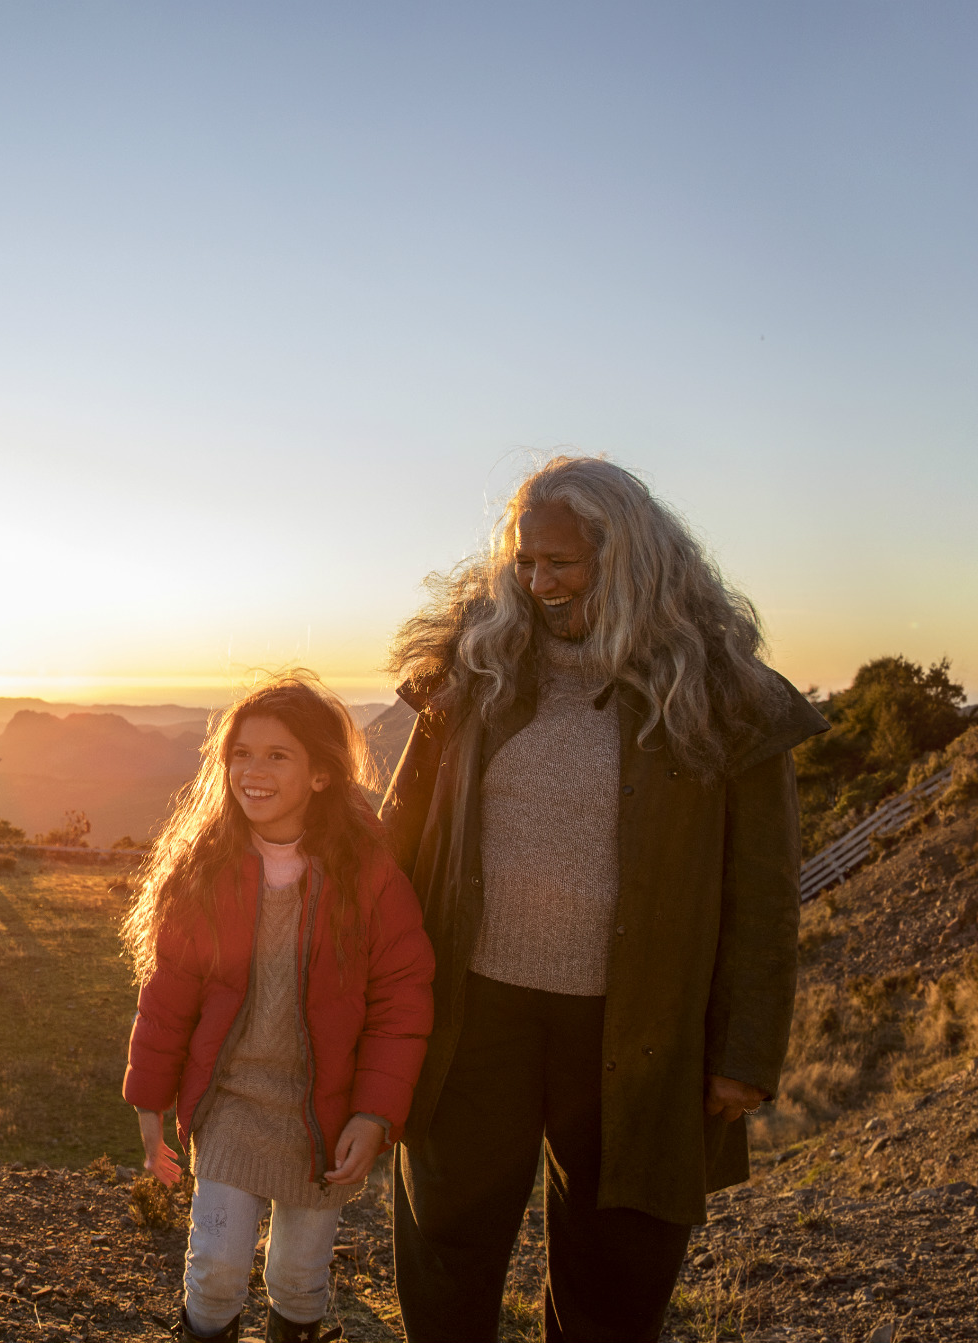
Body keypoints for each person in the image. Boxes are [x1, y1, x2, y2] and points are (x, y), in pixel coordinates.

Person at [380, 456, 825, 1341]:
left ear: (625, 557)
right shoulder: (474, 668)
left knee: (617, 1278)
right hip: (475, 1013)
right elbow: (398, 834)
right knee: (446, 1253)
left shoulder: (718, 691)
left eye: (563, 563)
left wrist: (744, 1048)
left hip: (639, 1025)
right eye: (526, 562)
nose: (538, 583)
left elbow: (764, 890)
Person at [122, 672, 438, 1343]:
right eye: (240, 753)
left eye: (276, 755)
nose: (251, 770)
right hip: (232, 1106)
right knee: (213, 1272)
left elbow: (400, 1002)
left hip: (322, 1116)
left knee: (298, 1279)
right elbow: (168, 995)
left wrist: (374, 1112)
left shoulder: (368, 873)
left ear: (323, 775)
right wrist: (149, 1103)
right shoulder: (203, 868)